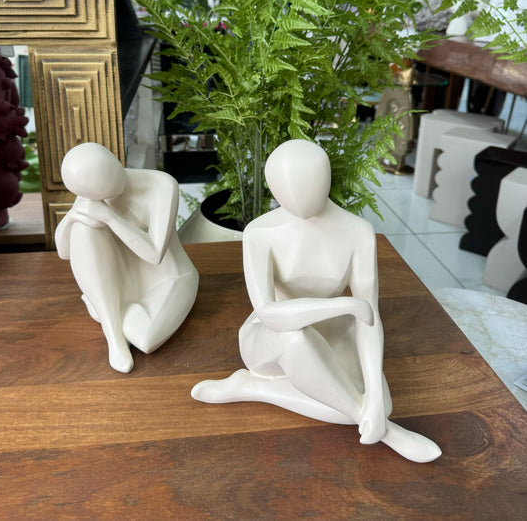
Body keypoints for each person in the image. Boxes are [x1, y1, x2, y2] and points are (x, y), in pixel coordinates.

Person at [192, 139, 441, 462]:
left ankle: (254, 388)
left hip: (333, 332)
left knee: (381, 403)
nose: (297, 199)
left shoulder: (358, 232)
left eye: (307, 186)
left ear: (326, 179)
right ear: (272, 188)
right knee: (299, 344)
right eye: (285, 190)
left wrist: (377, 399)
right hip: (271, 338)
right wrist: (345, 305)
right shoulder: (260, 232)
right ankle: (388, 431)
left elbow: (369, 320)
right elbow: (269, 314)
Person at [55, 143, 199, 373]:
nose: (113, 185)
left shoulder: (161, 185)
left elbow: (155, 254)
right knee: (82, 230)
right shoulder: (92, 189)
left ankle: (101, 308)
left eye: (111, 173)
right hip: (123, 275)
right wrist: (73, 216)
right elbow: (64, 252)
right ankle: (113, 333)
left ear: (113, 159)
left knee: (146, 340)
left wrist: (110, 217)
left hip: (169, 278)